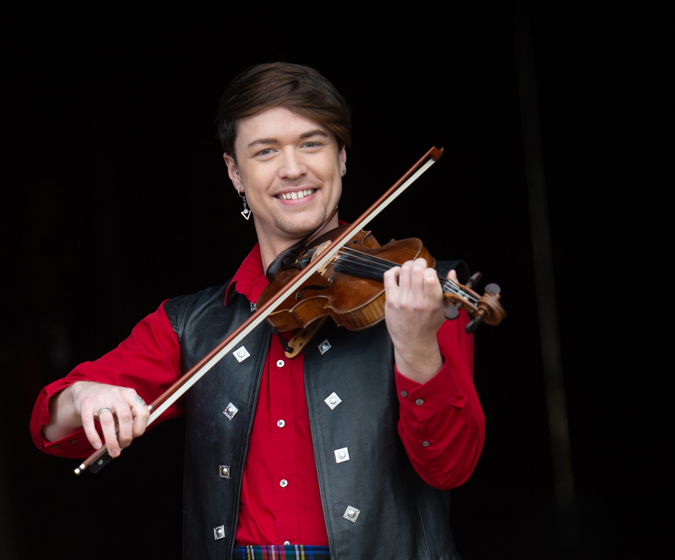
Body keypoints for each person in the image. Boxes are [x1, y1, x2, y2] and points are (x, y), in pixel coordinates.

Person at [29, 62, 484, 560]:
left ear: (342, 158)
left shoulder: (417, 292)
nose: (292, 168)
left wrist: (417, 349)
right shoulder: (193, 323)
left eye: (312, 144)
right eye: (265, 151)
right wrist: (84, 397)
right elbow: (55, 430)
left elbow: (450, 467)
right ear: (234, 173)